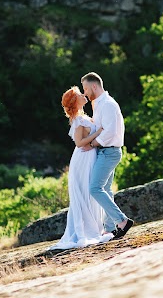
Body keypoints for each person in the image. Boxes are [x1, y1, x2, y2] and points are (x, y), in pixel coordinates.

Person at [50, 86, 114, 250]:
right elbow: (79, 143)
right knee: (86, 192)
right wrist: (98, 132)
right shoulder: (78, 120)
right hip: (83, 158)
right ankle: (89, 230)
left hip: (89, 155)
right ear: (75, 101)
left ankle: (97, 228)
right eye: (80, 94)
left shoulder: (84, 116)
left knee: (92, 192)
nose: (84, 95)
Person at [81, 72, 134, 239]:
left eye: (86, 88)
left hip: (109, 151)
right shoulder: (99, 104)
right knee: (105, 189)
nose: (85, 93)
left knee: (95, 188)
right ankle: (111, 228)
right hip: (106, 151)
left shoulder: (108, 104)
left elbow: (109, 132)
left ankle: (122, 221)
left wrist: (92, 144)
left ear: (94, 86)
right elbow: (99, 128)